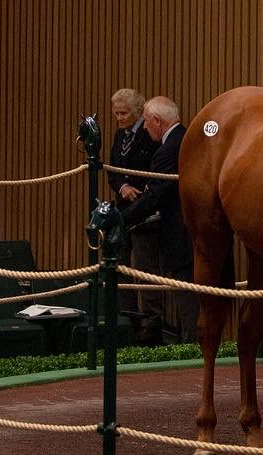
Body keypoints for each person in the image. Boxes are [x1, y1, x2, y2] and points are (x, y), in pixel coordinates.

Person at [122, 95, 196, 344]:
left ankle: (190, 345)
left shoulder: (167, 150)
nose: (144, 128)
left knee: (186, 292)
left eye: (145, 122)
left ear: (156, 120)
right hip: (196, 229)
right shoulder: (188, 138)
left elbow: (156, 194)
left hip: (180, 231)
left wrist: (122, 218)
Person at [107, 88, 163, 332]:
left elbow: (154, 169)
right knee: (120, 264)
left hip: (145, 211)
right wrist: (122, 187)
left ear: (138, 112)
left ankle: (152, 321)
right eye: (116, 113)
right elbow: (112, 169)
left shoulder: (149, 133)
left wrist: (137, 189)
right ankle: (126, 317)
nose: (119, 118)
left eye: (124, 113)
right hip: (122, 208)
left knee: (145, 267)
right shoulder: (120, 136)